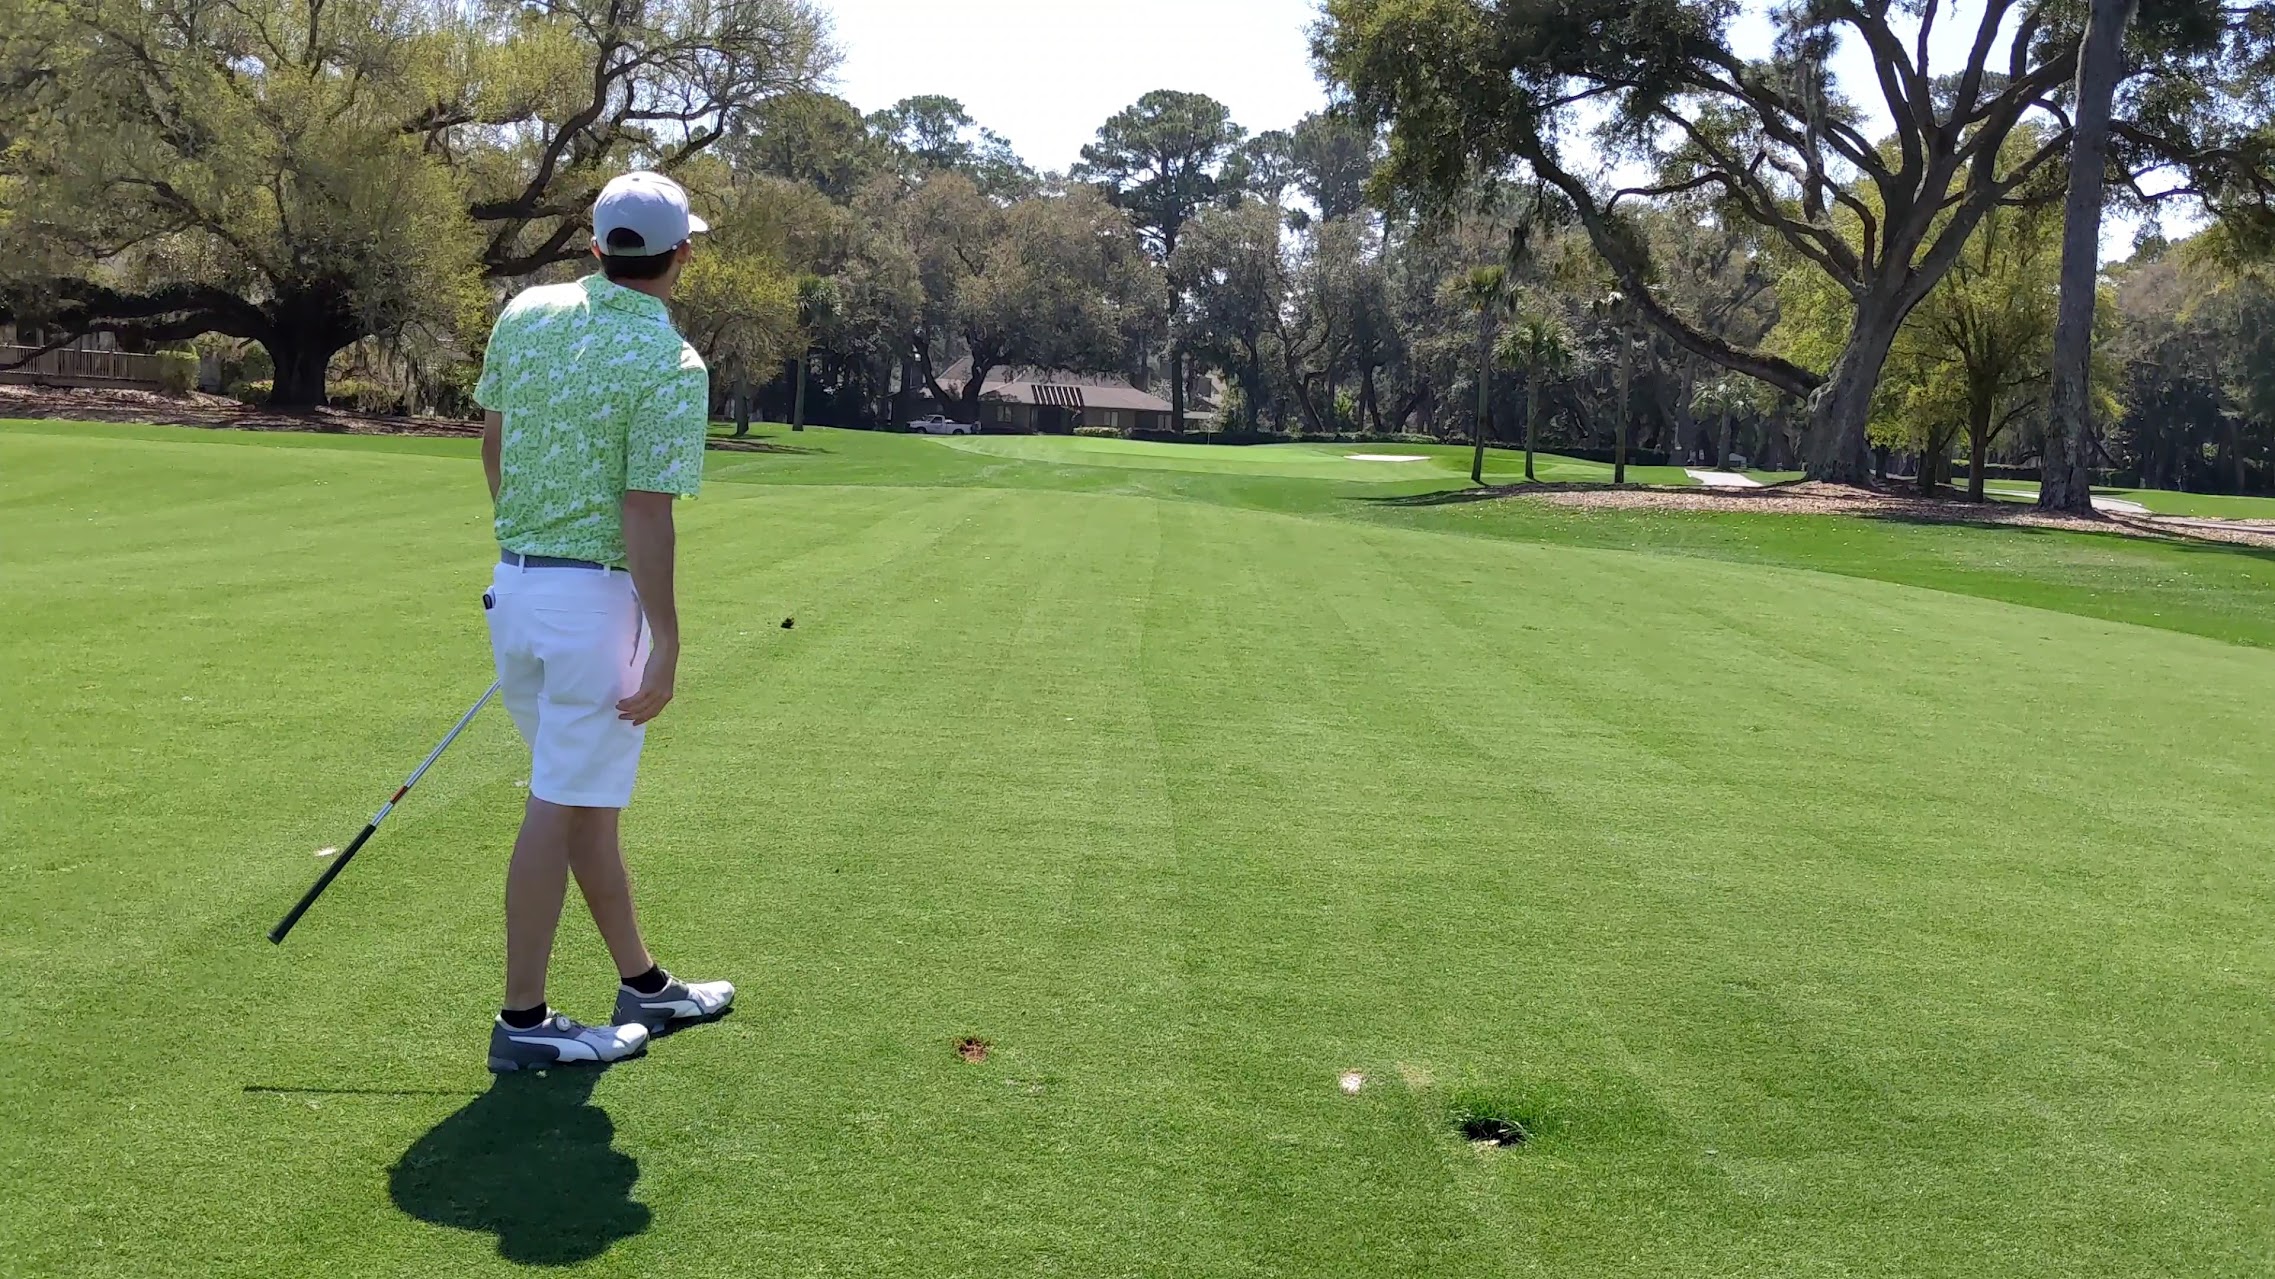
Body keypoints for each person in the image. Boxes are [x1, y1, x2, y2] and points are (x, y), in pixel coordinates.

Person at [472, 171, 734, 1073]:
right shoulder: (672, 364)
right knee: (561, 800)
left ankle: (644, 985)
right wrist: (665, 636)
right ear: (681, 256)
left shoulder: (526, 313)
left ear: (596, 246)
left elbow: (494, 443)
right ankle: (524, 1019)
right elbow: (645, 511)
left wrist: (531, 557)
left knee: (582, 796)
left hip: (515, 591)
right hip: (592, 608)